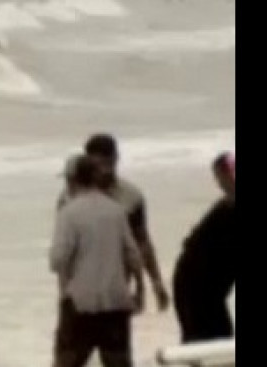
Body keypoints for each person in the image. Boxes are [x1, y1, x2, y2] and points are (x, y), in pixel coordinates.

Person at [58, 133, 170, 313]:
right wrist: (63, 293)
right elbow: (64, 251)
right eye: (99, 165)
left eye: (109, 163)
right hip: (79, 289)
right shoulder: (68, 199)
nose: (105, 171)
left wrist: (154, 282)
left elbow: (142, 242)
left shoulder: (131, 196)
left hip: (117, 286)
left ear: (116, 158)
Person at [50, 154, 142, 367]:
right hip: (116, 303)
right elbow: (133, 256)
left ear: (72, 181)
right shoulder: (116, 210)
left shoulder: (69, 213)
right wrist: (139, 291)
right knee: (118, 362)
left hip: (80, 304)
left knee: (67, 361)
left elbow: (58, 260)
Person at [172, 152, 236, 343]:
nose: (219, 184)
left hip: (204, 286)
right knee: (207, 339)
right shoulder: (226, 208)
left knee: (215, 338)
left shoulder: (226, 207)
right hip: (196, 286)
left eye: (219, 178)